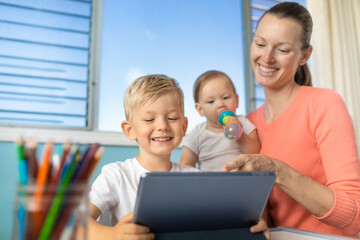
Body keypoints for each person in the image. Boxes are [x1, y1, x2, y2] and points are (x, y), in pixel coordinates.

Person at [222, 2, 360, 238]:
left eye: (282, 49)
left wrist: (277, 170)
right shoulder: (248, 125)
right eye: (260, 43)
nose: (267, 57)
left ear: (304, 55)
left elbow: (354, 218)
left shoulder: (324, 104)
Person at [88, 74, 270, 239]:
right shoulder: (116, 175)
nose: (162, 126)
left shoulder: (197, 179)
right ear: (130, 130)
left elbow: (219, 227)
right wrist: (113, 235)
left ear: (184, 127)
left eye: (172, 118)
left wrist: (248, 229)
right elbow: (76, 223)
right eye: (150, 119)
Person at [180, 70, 260, 171]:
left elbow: (256, 152)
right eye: (211, 101)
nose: (220, 104)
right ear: (200, 110)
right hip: (209, 185)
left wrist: (239, 135)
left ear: (236, 101)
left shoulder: (243, 122)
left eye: (225, 97)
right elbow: (185, 164)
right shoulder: (197, 133)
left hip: (241, 182)